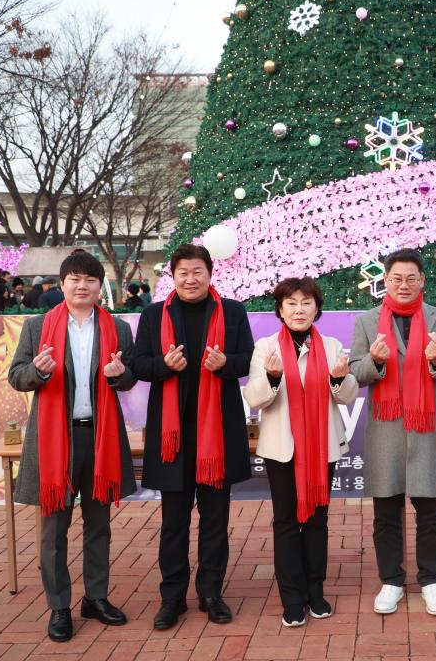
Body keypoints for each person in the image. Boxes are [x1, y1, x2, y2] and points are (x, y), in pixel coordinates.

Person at [8, 250, 138, 643]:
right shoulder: (37, 327)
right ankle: (59, 606)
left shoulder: (118, 329)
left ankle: (96, 597)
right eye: (75, 279)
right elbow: (16, 376)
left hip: (100, 439)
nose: (83, 286)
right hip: (54, 441)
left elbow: (129, 378)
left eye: (90, 280)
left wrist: (120, 376)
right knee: (54, 529)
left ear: (101, 286)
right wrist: (38, 371)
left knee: (99, 524)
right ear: (62, 284)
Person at [130, 244, 254, 630]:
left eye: (197, 271)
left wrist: (225, 364)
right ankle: (172, 599)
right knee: (174, 522)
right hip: (173, 436)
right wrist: (164, 366)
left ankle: (211, 593)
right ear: (173, 275)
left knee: (216, 520)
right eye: (183, 272)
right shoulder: (154, 315)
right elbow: (138, 366)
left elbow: (248, 360)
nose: (190, 278)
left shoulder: (232, 312)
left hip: (218, 432)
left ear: (210, 273)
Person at [349, 248, 436, 616]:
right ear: (385, 281)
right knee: (386, 512)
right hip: (386, 430)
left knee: (429, 511)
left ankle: (430, 579)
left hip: (426, 428)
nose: (403, 284)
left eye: (411, 278)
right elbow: (356, 372)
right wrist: (376, 361)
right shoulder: (367, 322)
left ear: (422, 281)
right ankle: (392, 581)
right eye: (396, 278)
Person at [245, 276, 357, 627]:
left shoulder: (333, 345)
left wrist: (339, 379)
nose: (299, 309)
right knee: (287, 522)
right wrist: (273, 377)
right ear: (280, 309)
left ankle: (315, 591)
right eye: (291, 303)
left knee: (317, 521)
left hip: (321, 449)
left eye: (306, 302)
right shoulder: (266, 347)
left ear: (316, 309)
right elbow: (255, 397)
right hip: (282, 450)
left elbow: (348, 395)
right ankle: (291, 598)